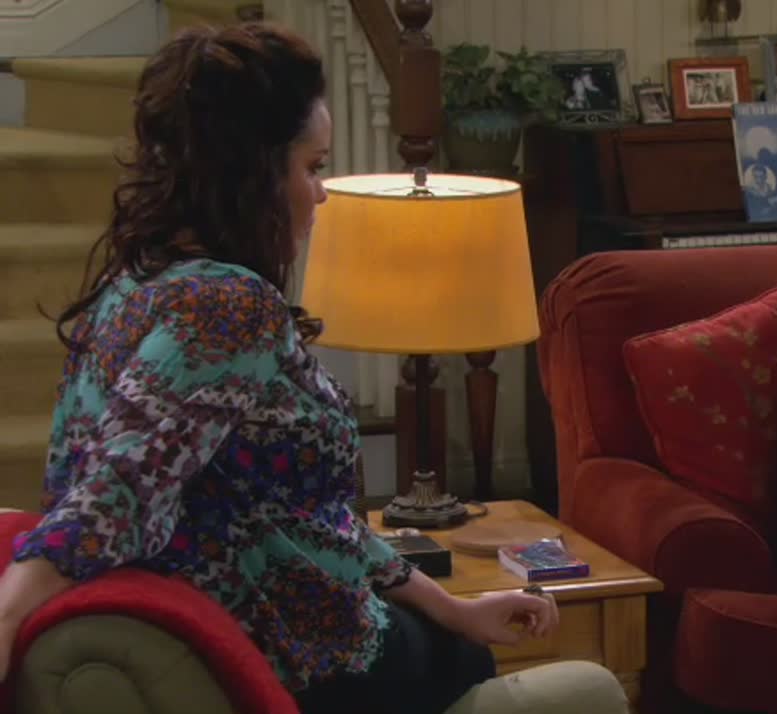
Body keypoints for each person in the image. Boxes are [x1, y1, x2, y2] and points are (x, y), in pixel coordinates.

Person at [0, 23, 627, 714]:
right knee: (488, 663)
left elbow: (299, 518)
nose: (322, 193)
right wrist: (5, 617)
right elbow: (116, 487)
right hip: (303, 651)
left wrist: (451, 606)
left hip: (302, 616)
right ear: (253, 175)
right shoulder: (227, 306)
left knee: (461, 640)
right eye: (312, 167)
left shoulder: (131, 285)